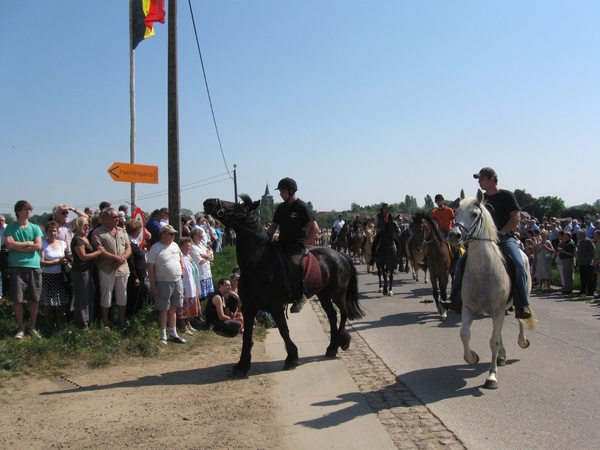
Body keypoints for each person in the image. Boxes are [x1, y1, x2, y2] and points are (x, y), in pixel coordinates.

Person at [448, 167, 532, 319]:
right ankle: (456, 301)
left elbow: (516, 217)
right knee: (461, 263)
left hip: (505, 238)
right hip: (483, 241)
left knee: (519, 264)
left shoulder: (507, 196)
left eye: (481, 178)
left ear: (491, 179)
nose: (479, 181)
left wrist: (503, 232)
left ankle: (521, 304)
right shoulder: (479, 200)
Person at [266, 177, 318, 313]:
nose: (280, 193)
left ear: (291, 191)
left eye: (282, 191)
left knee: (294, 264)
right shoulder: (281, 208)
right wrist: (264, 236)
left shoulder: (302, 207)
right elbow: (273, 228)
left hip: (296, 245)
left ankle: (299, 297)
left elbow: (315, 228)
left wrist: (304, 243)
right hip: (282, 242)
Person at [4, 200, 44, 339]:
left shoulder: (35, 228)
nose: (28, 212)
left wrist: (17, 245)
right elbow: (9, 245)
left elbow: (38, 246)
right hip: (16, 265)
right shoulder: (11, 227)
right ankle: (21, 328)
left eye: (29, 209)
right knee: (18, 299)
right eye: (25, 209)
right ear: (18, 211)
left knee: (35, 298)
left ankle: (32, 327)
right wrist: (28, 243)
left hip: (33, 265)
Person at [92, 208, 131, 330]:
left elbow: (128, 248)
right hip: (107, 269)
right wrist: (115, 258)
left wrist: (121, 259)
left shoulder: (122, 231)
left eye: (118, 217)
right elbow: (100, 251)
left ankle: (121, 320)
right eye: (114, 217)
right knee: (106, 296)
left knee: (122, 296)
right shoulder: (98, 232)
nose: (117, 219)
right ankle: (105, 322)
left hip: (122, 268)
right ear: (105, 218)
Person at [147, 224, 186, 344]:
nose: (173, 236)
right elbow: (150, 267)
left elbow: (181, 258)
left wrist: (183, 268)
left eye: (174, 233)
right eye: (170, 233)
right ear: (163, 234)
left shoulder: (175, 245)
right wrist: (153, 285)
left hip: (177, 281)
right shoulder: (155, 248)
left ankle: (173, 333)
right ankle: (163, 333)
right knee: (164, 308)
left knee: (173, 308)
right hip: (163, 281)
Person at [70, 216, 105, 329]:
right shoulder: (77, 239)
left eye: (88, 225)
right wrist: (98, 252)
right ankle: (83, 324)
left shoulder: (85, 238)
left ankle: (88, 321)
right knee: (82, 298)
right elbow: (83, 257)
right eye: (84, 225)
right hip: (80, 272)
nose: (87, 227)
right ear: (79, 226)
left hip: (88, 271)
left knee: (89, 296)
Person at [40, 221, 71, 330]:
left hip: (60, 275)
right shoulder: (43, 244)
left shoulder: (62, 243)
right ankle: (48, 325)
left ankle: (60, 324)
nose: (53, 233)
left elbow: (66, 256)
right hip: (47, 276)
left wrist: (66, 261)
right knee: (48, 302)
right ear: (46, 232)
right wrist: (57, 262)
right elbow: (42, 262)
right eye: (50, 231)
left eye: (54, 231)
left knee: (60, 301)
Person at [125, 219, 149, 318]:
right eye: (139, 230)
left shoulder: (134, 243)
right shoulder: (129, 243)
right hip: (136, 276)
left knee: (140, 297)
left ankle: (137, 316)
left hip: (141, 274)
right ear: (135, 230)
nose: (140, 232)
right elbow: (131, 262)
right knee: (134, 298)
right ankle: (131, 317)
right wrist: (135, 277)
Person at [177, 237, 201, 335]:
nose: (188, 248)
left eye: (190, 246)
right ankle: (183, 326)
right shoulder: (180, 257)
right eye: (186, 246)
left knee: (190, 306)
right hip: (185, 285)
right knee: (184, 307)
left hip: (193, 285)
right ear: (181, 246)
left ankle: (189, 323)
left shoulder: (189, 256)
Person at [576, 229, 595, 296]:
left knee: (589, 278)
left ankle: (590, 291)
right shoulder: (579, 242)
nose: (578, 235)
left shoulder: (588, 241)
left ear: (582, 235)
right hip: (581, 262)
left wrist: (593, 259)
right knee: (583, 278)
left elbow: (593, 250)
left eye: (579, 234)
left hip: (588, 262)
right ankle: (583, 290)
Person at [593, 229, 600, 297]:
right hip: (597, 262)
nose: (593, 236)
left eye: (594, 235)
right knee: (599, 278)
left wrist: (597, 262)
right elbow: (596, 254)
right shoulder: (597, 243)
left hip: (599, 262)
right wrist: (594, 261)